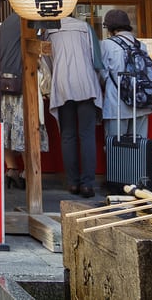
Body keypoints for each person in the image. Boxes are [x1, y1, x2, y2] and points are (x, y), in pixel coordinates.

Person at [45, 15, 103, 198]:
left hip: (62, 83)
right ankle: (88, 184)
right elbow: (97, 60)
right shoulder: (84, 27)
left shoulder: (48, 31)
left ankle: (72, 183)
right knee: (87, 135)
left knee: (68, 135)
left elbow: (46, 63)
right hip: (86, 83)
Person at [0, 11, 48, 190]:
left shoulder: (5, 23)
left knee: (6, 129)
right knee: (28, 129)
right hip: (23, 81)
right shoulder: (32, 22)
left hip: (3, 82)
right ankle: (29, 172)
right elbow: (38, 54)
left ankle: (11, 169)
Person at [100, 9, 152, 140]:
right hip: (141, 103)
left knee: (116, 149)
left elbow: (102, 74)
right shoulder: (141, 45)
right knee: (139, 147)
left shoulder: (106, 45)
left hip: (116, 105)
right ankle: (138, 162)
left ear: (110, 28)